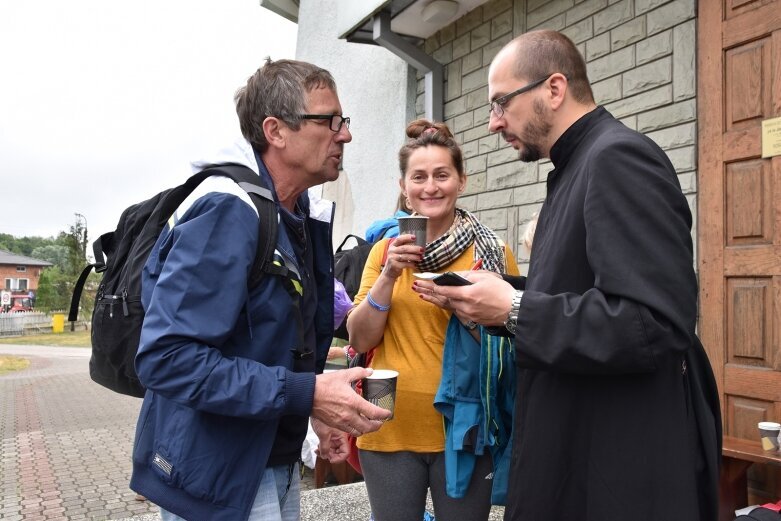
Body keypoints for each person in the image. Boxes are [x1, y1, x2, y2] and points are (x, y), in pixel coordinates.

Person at [413, 30, 722, 521]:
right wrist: (499, 296)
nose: (494, 123)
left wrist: (514, 309)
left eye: (501, 103)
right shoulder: (577, 165)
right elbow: (580, 294)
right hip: (581, 444)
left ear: (553, 89)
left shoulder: (618, 158)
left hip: (613, 466)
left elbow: (652, 322)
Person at [129, 58, 390, 521]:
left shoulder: (299, 212)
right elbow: (166, 358)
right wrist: (306, 394)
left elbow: (277, 341)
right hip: (217, 476)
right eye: (329, 121)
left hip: (269, 461)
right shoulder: (227, 212)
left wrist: (313, 413)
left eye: (343, 121)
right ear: (276, 130)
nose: (344, 135)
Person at [346, 119, 520, 521]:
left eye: (442, 175)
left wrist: (463, 308)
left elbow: (513, 345)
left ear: (461, 180)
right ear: (404, 188)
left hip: (468, 430)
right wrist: (389, 275)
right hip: (389, 422)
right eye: (419, 177)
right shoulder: (383, 252)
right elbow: (359, 336)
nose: (431, 187)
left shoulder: (491, 253)